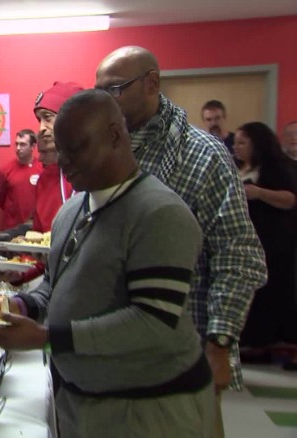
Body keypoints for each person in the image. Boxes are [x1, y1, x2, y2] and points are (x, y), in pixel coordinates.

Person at [0, 89, 215, 438]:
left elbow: (151, 322)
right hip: (83, 402)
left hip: (150, 408)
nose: (65, 162)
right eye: (61, 151)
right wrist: (23, 304)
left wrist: (47, 338)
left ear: (116, 136)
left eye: (76, 148)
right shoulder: (71, 211)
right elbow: (55, 286)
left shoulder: (159, 213)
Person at [95, 45, 266, 437]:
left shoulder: (202, 155)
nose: (106, 101)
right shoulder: (107, 151)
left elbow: (239, 256)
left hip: (185, 356)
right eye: (99, 92)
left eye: (115, 89)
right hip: (117, 354)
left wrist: (220, 345)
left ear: (152, 83)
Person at [0, 82, 81, 287]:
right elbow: (41, 250)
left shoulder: (91, 174)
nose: (41, 129)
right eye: (39, 120)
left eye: (48, 118)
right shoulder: (46, 179)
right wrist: (20, 273)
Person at [232, 122, 297, 369]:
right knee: (254, 293)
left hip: (274, 241)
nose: (237, 147)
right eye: (236, 142)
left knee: (275, 293)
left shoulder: (276, 168)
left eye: (242, 142)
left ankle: (282, 344)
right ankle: (257, 343)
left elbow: (289, 199)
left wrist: (259, 193)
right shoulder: (239, 167)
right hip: (248, 239)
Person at [0, 129, 40, 229]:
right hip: (12, 228)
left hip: (37, 228)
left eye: (23, 144)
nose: (18, 148)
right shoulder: (5, 170)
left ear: (33, 146)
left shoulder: (42, 168)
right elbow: (0, 199)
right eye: (16, 144)